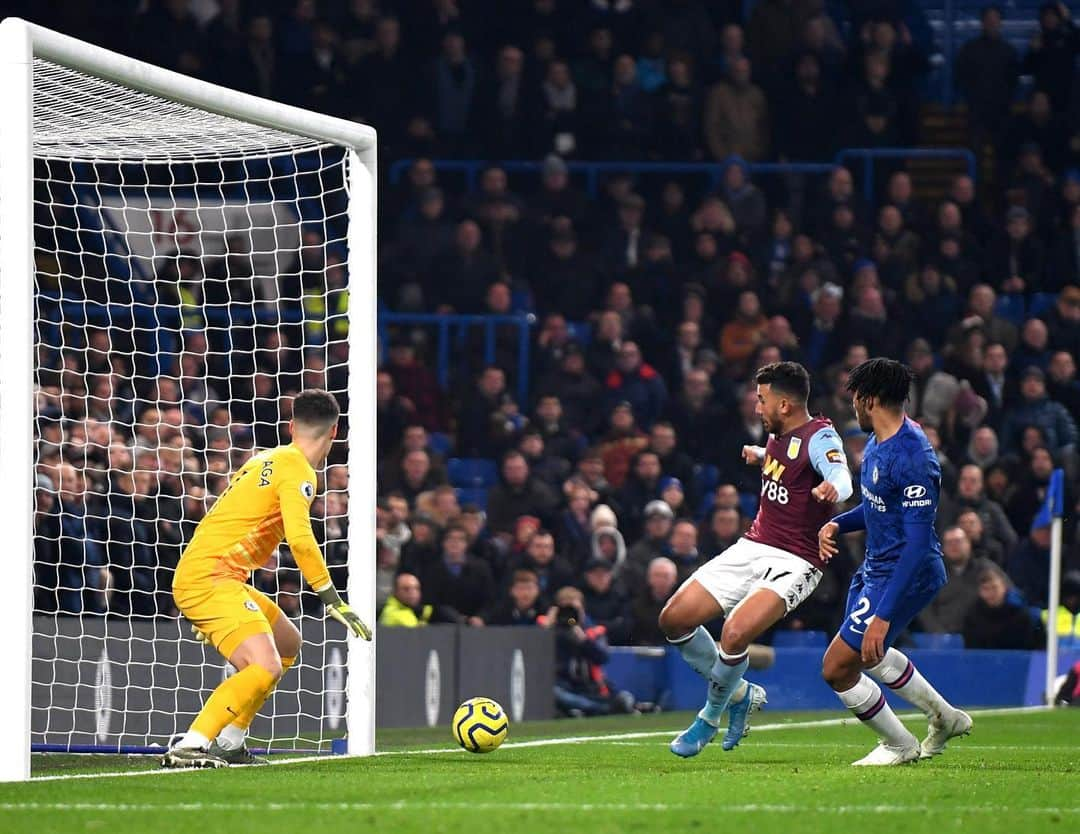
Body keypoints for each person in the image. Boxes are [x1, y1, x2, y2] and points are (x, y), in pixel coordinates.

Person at [165, 390, 371, 768]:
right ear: (335, 431)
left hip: (212, 575)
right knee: (266, 666)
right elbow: (301, 538)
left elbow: (221, 517)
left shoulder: (267, 459)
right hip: (212, 578)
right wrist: (330, 598)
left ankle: (231, 740)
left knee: (287, 642)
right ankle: (191, 744)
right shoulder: (299, 471)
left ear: (291, 426)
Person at [658, 362, 852, 757]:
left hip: (797, 559)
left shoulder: (820, 435)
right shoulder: (779, 435)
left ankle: (709, 718)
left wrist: (834, 487)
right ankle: (741, 693)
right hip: (755, 543)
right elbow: (790, 465)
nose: (757, 407)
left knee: (734, 632)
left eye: (762, 400)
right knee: (673, 620)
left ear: (784, 404)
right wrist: (763, 456)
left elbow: (840, 471)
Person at [819, 359, 971, 767]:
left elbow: (919, 544)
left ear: (868, 400)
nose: (852, 407)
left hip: (907, 570)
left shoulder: (913, 457)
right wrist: (838, 523)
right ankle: (944, 717)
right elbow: (878, 507)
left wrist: (883, 616)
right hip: (875, 568)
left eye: (854, 399)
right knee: (867, 654)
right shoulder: (878, 443)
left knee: (837, 667)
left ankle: (899, 745)